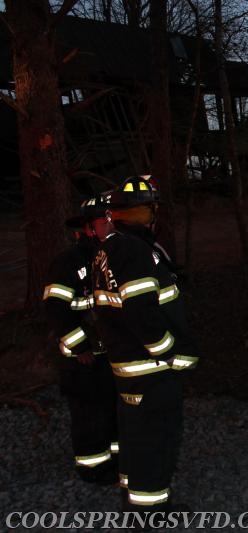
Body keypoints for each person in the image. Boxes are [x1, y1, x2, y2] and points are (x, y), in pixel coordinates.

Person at [91, 176, 198, 518]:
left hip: (131, 367)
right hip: (151, 370)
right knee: (155, 440)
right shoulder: (133, 250)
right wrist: (168, 352)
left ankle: (137, 503)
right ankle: (151, 514)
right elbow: (140, 313)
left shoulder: (112, 249)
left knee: (136, 439)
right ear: (147, 212)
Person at [42, 196, 118, 486]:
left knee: (112, 411)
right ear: (88, 228)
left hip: (111, 354)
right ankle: (93, 469)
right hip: (82, 361)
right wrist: (80, 347)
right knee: (90, 416)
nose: (111, 227)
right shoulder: (67, 264)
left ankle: (117, 462)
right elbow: (55, 310)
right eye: (105, 222)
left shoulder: (112, 258)